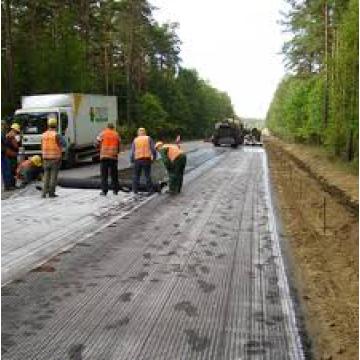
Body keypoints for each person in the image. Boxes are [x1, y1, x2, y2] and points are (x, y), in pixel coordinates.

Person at [95, 123, 120, 196]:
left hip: (104, 157)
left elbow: (96, 143)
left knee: (104, 175)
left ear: (107, 127)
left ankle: (104, 191)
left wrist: (98, 148)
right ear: (113, 127)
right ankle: (115, 190)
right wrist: (117, 152)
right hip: (113, 157)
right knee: (114, 175)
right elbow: (118, 145)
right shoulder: (116, 134)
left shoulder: (102, 133)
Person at [41, 115, 63, 198]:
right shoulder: (56, 135)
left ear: (48, 125)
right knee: (53, 177)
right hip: (55, 158)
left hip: (45, 157)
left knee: (46, 176)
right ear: (56, 125)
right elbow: (64, 144)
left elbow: (42, 145)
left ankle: (43, 193)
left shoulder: (43, 135)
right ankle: (51, 193)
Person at [130, 127, 157, 195]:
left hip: (137, 159)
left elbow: (132, 152)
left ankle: (135, 190)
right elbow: (153, 149)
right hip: (146, 159)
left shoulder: (135, 140)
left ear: (138, 133)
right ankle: (150, 190)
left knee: (136, 175)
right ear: (145, 132)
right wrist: (154, 158)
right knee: (147, 175)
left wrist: (132, 160)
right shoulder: (148, 138)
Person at [6, 122, 21, 188]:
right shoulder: (12, 136)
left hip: (8, 154)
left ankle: (10, 185)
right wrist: (18, 142)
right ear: (15, 130)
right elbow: (15, 146)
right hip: (12, 154)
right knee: (13, 170)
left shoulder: (8, 135)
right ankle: (12, 185)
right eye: (17, 131)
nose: (17, 133)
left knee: (10, 170)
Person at [1, 120, 13, 190]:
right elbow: (4, 143)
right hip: (3, 153)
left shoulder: (3, 133)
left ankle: (7, 185)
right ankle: (7, 186)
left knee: (6, 169)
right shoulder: (2, 134)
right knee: (6, 170)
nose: (5, 126)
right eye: (4, 125)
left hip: (3, 153)